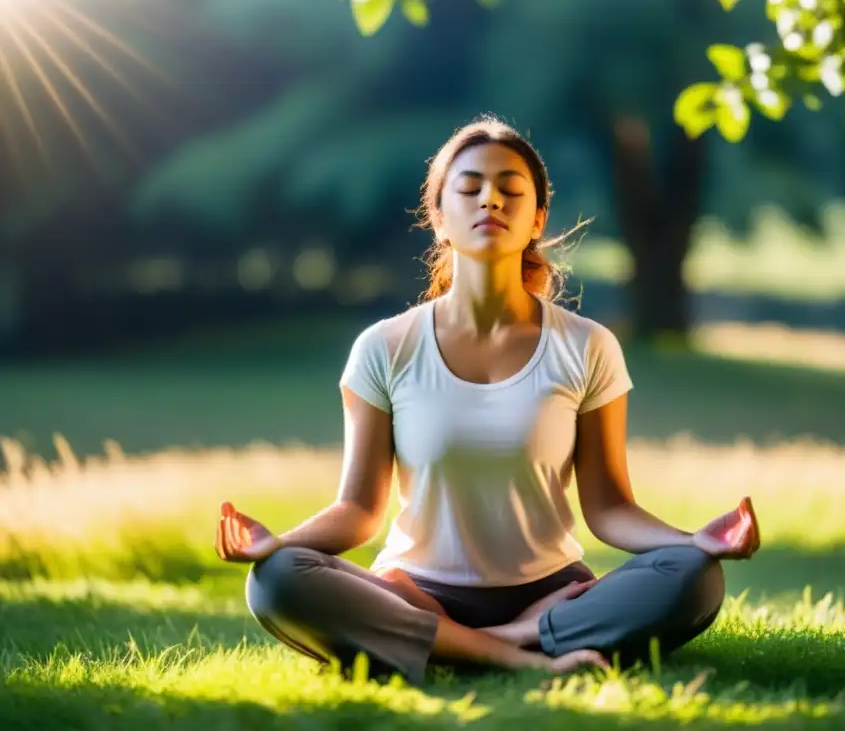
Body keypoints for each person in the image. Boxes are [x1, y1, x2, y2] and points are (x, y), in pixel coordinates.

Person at [214, 114, 761, 686]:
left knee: (695, 577)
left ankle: (463, 644)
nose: (490, 201)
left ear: (537, 219)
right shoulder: (385, 347)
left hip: (551, 593)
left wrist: (694, 542)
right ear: (440, 217)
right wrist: (277, 545)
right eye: (470, 188)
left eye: (510, 189)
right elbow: (359, 511)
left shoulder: (588, 346)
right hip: (415, 593)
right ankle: (517, 651)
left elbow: (609, 509)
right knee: (276, 580)